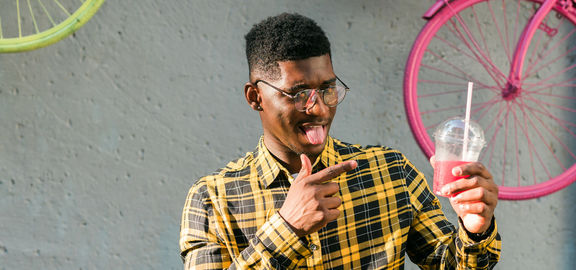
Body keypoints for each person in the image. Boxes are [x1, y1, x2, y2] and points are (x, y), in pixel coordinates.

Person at [179, 13, 501, 269]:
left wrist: (475, 229)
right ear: (255, 97)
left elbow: (456, 264)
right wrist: (287, 229)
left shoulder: (391, 172)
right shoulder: (213, 200)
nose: (318, 108)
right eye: (298, 93)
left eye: (327, 89)